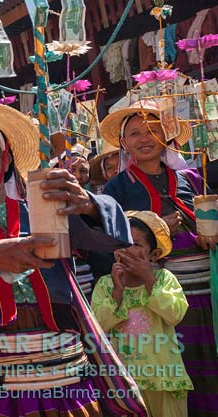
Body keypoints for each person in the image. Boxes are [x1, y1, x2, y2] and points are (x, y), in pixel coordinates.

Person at [0, 101, 145, 417]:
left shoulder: (44, 209)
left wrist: (88, 205)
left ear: (5, 157)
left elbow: (111, 240)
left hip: (64, 373)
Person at [101, 100, 217, 416]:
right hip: (160, 293)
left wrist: (212, 229)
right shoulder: (116, 189)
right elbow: (114, 242)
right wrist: (158, 230)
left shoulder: (191, 179)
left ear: (166, 134)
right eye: (135, 133)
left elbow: (211, 216)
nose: (145, 138)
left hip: (208, 286)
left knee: (211, 357)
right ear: (123, 143)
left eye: (153, 129)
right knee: (181, 361)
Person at [91, 210, 193, 417]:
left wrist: (148, 279)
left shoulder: (164, 279)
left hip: (164, 377)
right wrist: (117, 293)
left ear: (154, 255)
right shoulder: (106, 284)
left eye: (136, 244)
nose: (126, 249)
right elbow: (97, 326)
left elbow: (175, 314)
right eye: (122, 243)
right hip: (125, 381)